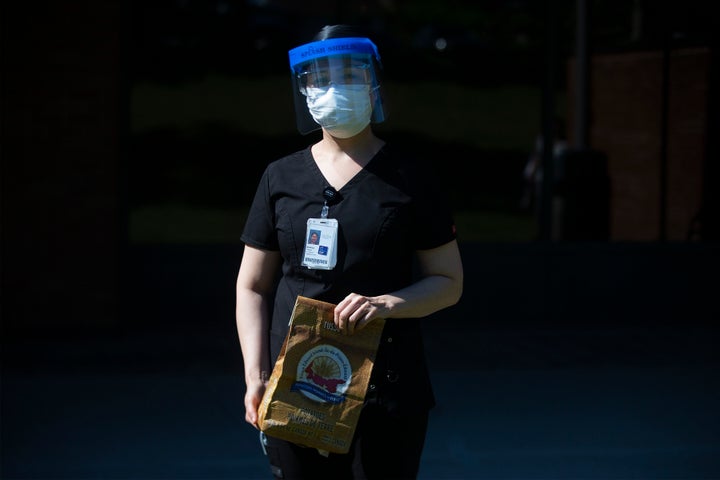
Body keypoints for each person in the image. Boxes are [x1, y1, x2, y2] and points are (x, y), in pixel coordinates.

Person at [235, 24, 463, 480]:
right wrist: (255, 376)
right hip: (296, 383)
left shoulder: (410, 176)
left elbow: (449, 283)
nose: (334, 88)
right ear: (304, 90)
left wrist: (385, 304)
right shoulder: (280, 177)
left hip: (385, 387)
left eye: (349, 75)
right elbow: (252, 285)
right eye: (320, 78)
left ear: (373, 84)